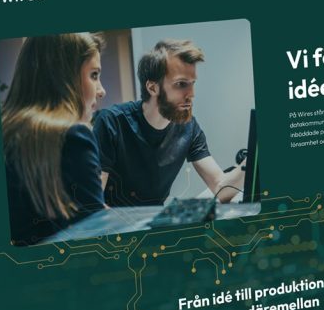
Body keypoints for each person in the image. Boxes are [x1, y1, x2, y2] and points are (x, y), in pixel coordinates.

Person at [93, 39, 244, 207]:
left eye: (192, 84)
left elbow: (220, 187)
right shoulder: (111, 123)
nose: (191, 94)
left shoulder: (189, 127)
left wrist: (252, 160)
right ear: (152, 88)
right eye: (181, 84)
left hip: (155, 219)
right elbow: (94, 204)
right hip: (116, 222)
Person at [2, 33, 107, 245]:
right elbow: (98, 240)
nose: (101, 91)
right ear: (63, 77)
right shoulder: (74, 138)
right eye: (94, 75)